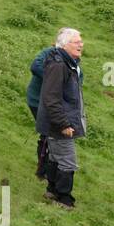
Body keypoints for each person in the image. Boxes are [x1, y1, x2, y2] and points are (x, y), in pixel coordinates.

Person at [36, 28, 86, 209]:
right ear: (64, 45)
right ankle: (64, 199)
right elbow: (51, 98)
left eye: (81, 41)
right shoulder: (59, 66)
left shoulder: (67, 63)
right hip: (58, 124)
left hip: (56, 122)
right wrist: (63, 123)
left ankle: (52, 190)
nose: (81, 44)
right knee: (67, 160)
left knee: (56, 157)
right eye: (76, 42)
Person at [26, 44, 55, 179]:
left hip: (53, 104)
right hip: (37, 101)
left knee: (51, 136)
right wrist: (55, 80)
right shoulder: (48, 53)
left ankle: (47, 170)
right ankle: (42, 171)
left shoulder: (72, 58)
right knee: (47, 135)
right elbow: (35, 66)